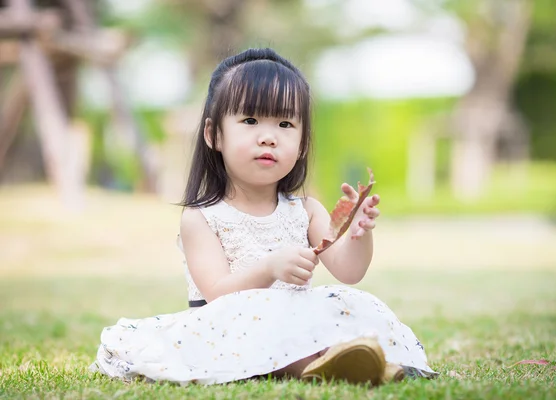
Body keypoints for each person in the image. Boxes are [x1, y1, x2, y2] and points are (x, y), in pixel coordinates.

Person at [91, 48, 437, 385]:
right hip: (226, 333)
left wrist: (360, 233)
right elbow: (218, 296)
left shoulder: (306, 210)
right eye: (250, 120)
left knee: (350, 307)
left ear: (302, 144)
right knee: (273, 331)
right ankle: (323, 364)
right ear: (214, 135)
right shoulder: (202, 218)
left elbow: (350, 271)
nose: (268, 137)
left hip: (295, 325)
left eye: (285, 123)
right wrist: (270, 268)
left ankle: (363, 361)